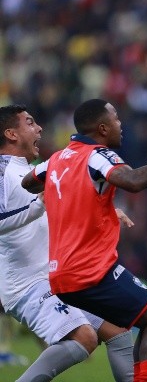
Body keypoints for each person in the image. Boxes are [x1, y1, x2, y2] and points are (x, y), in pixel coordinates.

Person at [21, 99, 147, 382]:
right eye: (116, 119)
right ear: (102, 128)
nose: (120, 124)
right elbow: (134, 181)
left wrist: (65, 192)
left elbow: (28, 182)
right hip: (91, 272)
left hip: (61, 275)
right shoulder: (98, 155)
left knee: (136, 325)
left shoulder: (57, 159)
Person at [0, 104, 135, 381]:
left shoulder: (32, 171)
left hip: (55, 276)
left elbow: (60, 209)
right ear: (11, 133)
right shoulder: (2, 173)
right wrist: (38, 204)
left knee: (118, 328)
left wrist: (106, 212)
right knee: (83, 337)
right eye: (30, 123)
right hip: (25, 283)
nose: (39, 129)